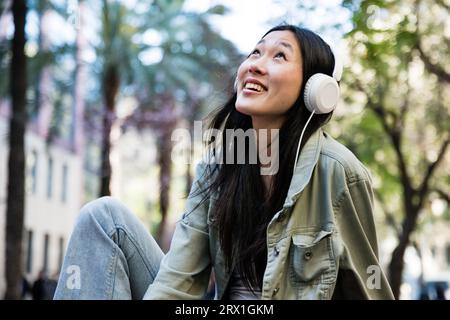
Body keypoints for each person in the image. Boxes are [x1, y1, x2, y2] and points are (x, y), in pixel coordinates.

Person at [54, 24, 394, 300]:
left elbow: (370, 289)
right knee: (103, 217)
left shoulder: (339, 173)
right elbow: (178, 282)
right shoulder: (219, 166)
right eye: (256, 52)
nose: (256, 64)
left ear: (315, 88)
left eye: (279, 56)